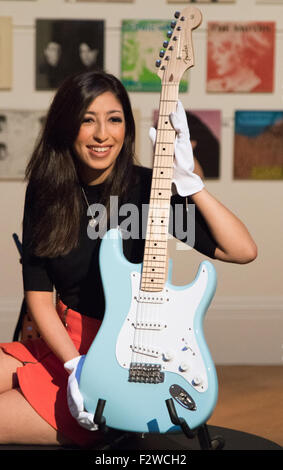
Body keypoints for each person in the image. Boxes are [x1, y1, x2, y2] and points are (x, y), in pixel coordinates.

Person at [0, 71, 257, 448]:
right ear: (66, 126)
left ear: (128, 126)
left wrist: (192, 185)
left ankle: (119, 426)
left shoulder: (146, 190)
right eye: (88, 119)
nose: (103, 134)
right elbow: (39, 297)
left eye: (114, 119)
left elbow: (242, 250)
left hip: (122, 367)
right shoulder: (46, 191)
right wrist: (75, 367)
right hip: (65, 349)